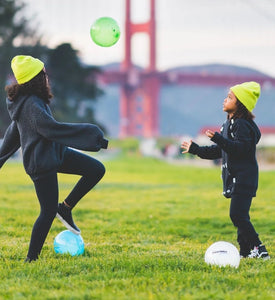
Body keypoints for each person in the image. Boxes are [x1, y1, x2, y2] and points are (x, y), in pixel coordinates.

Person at [0, 55, 108, 262]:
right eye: (44, 73)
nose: (47, 77)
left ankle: (65, 208)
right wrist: (92, 134)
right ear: (37, 78)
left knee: (96, 169)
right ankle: (31, 259)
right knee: (47, 212)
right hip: (41, 163)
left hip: (56, 154)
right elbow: (50, 129)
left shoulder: (29, 102)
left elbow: (14, 133)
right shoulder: (30, 104)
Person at [181, 81, 270, 260]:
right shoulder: (229, 123)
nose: (224, 100)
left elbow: (240, 149)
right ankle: (245, 253)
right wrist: (196, 149)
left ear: (240, 104)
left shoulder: (242, 125)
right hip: (237, 177)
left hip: (245, 177)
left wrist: (219, 139)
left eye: (229, 98)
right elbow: (219, 151)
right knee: (240, 215)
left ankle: (259, 249)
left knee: (237, 215)